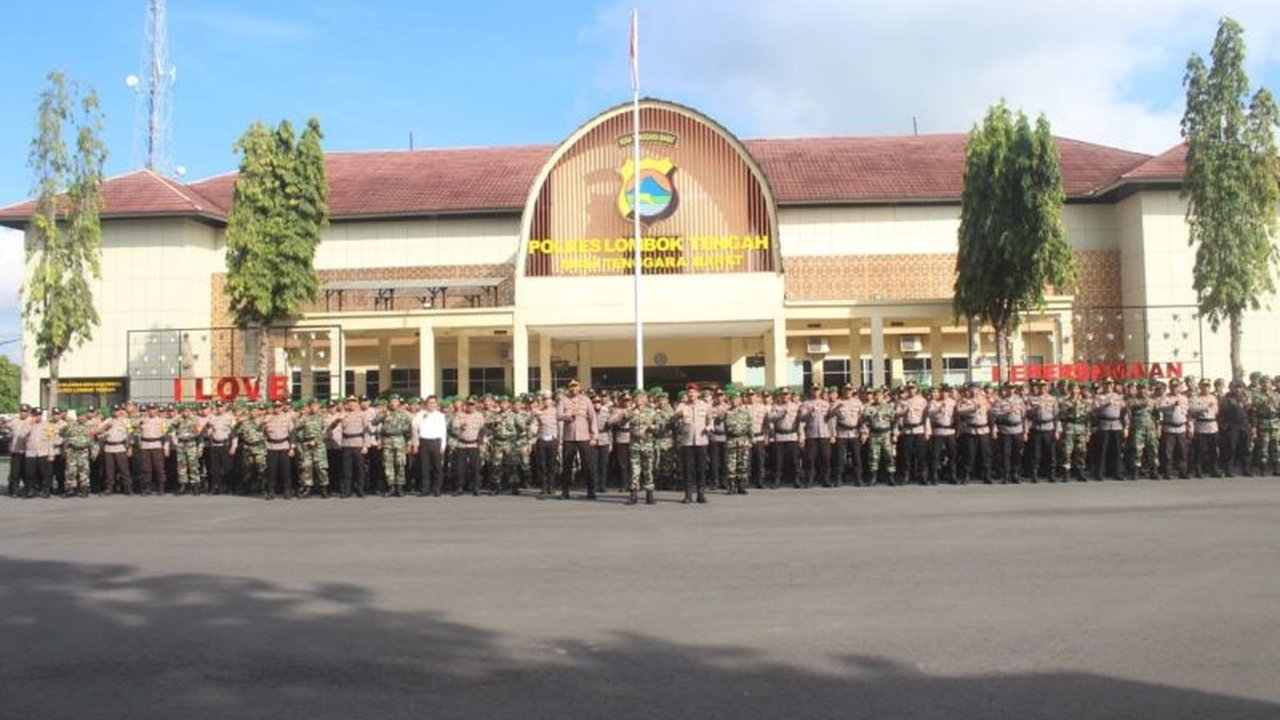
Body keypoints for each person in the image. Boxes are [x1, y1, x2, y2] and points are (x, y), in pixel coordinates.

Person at [556, 379, 598, 499]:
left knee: (588, 465)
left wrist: (594, 436)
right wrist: (568, 415)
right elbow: (558, 416)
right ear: (568, 388)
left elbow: (592, 418)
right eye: (571, 387)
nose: (573, 389)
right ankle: (565, 491)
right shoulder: (563, 400)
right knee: (567, 465)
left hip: (584, 437)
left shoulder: (586, 400)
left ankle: (591, 491)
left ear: (579, 388)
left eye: (576, 387)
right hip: (569, 437)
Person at [673, 383, 712, 504]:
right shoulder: (682, 405)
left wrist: (709, 428)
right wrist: (678, 414)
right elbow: (673, 418)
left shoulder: (704, 405)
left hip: (701, 441)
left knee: (701, 469)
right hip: (687, 442)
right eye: (689, 392)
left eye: (693, 392)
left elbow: (710, 420)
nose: (691, 394)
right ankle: (688, 495)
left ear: (697, 393)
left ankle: (701, 494)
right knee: (688, 469)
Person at [376, 395, 414, 497]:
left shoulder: (404, 414)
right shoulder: (385, 413)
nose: (393, 403)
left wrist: (409, 444)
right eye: (391, 401)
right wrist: (382, 415)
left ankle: (400, 487)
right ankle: (391, 487)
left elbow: (409, 431)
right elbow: (374, 422)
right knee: (388, 465)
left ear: (398, 403)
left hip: (400, 440)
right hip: (387, 441)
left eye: (395, 401)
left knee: (400, 464)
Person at [1023, 379, 1059, 482]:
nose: (1042, 388)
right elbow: (1026, 415)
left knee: (1050, 453)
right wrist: (1035, 410)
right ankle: (1034, 474)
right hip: (1036, 428)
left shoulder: (1052, 399)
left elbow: (1056, 416)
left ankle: (1051, 474)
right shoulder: (1031, 399)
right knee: (1035, 453)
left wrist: (1056, 430)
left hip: (1049, 428)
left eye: (1044, 386)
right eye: (1040, 386)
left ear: (1047, 387)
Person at [449, 396, 487, 496]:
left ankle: (476, 487)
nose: (470, 406)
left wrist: (482, 443)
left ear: (476, 405)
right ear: (465, 405)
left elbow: (483, 430)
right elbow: (453, 429)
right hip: (461, 444)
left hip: (474, 445)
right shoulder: (459, 415)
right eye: (468, 404)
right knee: (460, 468)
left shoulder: (479, 416)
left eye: (472, 404)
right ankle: (460, 488)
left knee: (475, 468)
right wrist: (460, 426)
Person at [412, 395, 448, 496]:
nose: (432, 405)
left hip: (436, 442)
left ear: (436, 404)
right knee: (424, 467)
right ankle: (425, 489)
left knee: (437, 467)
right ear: (426, 404)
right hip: (424, 442)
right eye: (430, 403)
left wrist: (443, 446)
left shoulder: (440, 416)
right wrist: (415, 444)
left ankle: (437, 489)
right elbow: (414, 429)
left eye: (433, 403)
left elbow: (443, 432)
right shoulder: (420, 415)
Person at [294, 399, 331, 498]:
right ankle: (308, 487)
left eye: (316, 405)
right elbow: (295, 428)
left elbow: (326, 431)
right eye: (312, 406)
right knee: (307, 467)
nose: (313, 407)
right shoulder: (305, 418)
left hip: (318, 446)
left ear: (319, 406)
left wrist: (316, 440)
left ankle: (324, 488)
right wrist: (302, 437)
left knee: (321, 467)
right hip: (307, 445)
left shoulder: (323, 417)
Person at [95, 405, 135, 495]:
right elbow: (97, 431)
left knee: (124, 469)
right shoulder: (108, 420)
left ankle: (127, 488)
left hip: (120, 447)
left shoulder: (125, 421)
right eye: (114, 410)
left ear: (120, 411)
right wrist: (105, 427)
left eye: (117, 410)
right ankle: (109, 488)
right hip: (109, 448)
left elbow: (130, 434)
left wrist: (129, 447)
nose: (116, 412)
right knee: (109, 470)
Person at [829, 384, 863, 487]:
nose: (848, 391)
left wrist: (864, 432)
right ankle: (839, 479)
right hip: (841, 434)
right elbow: (831, 419)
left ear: (852, 391)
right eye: (846, 389)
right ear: (842, 390)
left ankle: (858, 478)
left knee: (856, 457)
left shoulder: (858, 403)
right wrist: (832, 435)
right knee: (840, 458)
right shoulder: (837, 402)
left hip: (854, 434)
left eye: (850, 389)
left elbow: (862, 419)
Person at [798, 384, 832, 488]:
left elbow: (830, 420)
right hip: (811, 435)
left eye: (817, 390)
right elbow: (801, 418)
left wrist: (832, 434)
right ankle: (810, 480)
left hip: (824, 434)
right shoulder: (805, 404)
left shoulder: (826, 404)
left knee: (825, 458)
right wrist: (809, 413)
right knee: (810, 459)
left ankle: (825, 479)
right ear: (810, 391)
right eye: (814, 390)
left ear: (820, 391)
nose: (816, 392)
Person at [1157, 378, 1191, 480]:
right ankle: (1167, 472)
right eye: (1172, 386)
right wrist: (1172, 405)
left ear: (1179, 387)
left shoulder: (1184, 398)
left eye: (1176, 387)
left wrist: (1189, 427)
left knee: (1182, 451)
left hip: (1181, 427)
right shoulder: (1165, 397)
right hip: (1169, 427)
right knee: (1168, 452)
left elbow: (1187, 412)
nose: (1174, 389)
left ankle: (1183, 471)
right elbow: (1160, 408)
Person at [527, 391, 560, 496]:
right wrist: (533, 416)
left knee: (552, 465)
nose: (546, 401)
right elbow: (531, 426)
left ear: (551, 401)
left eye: (548, 399)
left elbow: (560, 427)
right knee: (542, 465)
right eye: (544, 399)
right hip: (541, 440)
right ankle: (544, 487)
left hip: (553, 440)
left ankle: (552, 486)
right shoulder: (538, 412)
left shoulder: (556, 412)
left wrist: (560, 441)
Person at [896, 382, 929, 485]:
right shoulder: (902, 401)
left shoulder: (922, 401)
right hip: (907, 431)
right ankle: (906, 476)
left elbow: (926, 417)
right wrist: (904, 412)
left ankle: (922, 476)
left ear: (916, 389)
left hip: (919, 430)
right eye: (909, 388)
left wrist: (927, 431)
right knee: (906, 455)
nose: (911, 390)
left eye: (912, 388)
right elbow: (896, 414)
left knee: (921, 455)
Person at [262, 400, 296, 500]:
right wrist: (264, 423)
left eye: (279, 406)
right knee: (271, 471)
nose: (277, 408)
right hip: (271, 446)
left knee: (286, 471)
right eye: (276, 406)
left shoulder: (287, 418)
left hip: (284, 446)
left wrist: (292, 447)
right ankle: (271, 491)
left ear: (282, 407)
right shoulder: (268, 418)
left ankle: (287, 491)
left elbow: (292, 433)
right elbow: (261, 432)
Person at [722, 389, 753, 495]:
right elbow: (720, 423)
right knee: (731, 465)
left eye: (736, 399)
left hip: (743, 440)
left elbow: (750, 427)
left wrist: (751, 439)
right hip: (731, 440)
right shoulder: (727, 412)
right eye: (732, 399)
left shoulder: (745, 412)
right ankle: (731, 487)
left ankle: (742, 486)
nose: (734, 401)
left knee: (743, 464)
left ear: (740, 400)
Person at [136, 403, 171, 496]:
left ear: (156, 410)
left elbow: (167, 435)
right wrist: (140, 420)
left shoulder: (161, 421)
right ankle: (146, 488)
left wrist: (166, 447)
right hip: (145, 446)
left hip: (157, 445)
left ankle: (161, 488)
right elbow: (134, 429)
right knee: (146, 468)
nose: (151, 411)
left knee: (159, 468)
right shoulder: (142, 420)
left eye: (153, 409)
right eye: (150, 409)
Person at [927, 384, 958, 485]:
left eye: (946, 392)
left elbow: (957, 416)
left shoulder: (953, 402)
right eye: (942, 392)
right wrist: (939, 408)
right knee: (935, 455)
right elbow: (929, 413)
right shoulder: (934, 402)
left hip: (950, 431)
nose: (944, 394)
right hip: (938, 431)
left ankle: (952, 476)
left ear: (949, 393)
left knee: (952, 455)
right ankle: (934, 477)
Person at [1189, 379, 1220, 478]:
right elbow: (1192, 409)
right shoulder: (1195, 398)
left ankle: (1213, 469)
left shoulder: (1213, 397)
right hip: (1201, 425)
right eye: (1203, 386)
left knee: (1213, 450)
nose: (1205, 388)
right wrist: (1205, 407)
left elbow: (1215, 411)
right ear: (1200, 386)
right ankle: (1198, 469)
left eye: (1207, 386)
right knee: (1200, 450)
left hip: (1212, 425)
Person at [61, 408, 95, 498]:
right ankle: (70, 489)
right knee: (71, 471)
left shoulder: (89, 426)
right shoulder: (71, 425)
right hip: (72, 451)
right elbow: (61, 433)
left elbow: (92, 440)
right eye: (81, 416)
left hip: (83, 451)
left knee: (84, 470)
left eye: (84, 416)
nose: (83, 418)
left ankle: (84, 489)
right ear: (77, 416)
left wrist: (93, 452)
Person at [172, 404, 205, 496]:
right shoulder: (178, 419)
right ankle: (183, 485)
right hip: (181, 444)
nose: (185, 412)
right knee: (181, 466)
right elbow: (170, 428)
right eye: (183, 411)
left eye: (187, 410)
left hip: (191, 443)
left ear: (189, 411)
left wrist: (199, 448)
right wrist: (178, 421)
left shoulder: (194, 420)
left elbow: (199, 432)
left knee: (193, 465)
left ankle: (195, 485)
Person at [22, 407, 55, 498]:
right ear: (32, 415)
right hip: (31, 453)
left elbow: (51, 439)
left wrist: (51, 453)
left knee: (46, 473)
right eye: (36, 415)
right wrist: (30, 425)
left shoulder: (47, 424)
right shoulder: (27, 423)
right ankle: (31, 490)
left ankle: (45, 491)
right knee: (30, 473)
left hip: (43, 452)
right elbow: (21, 435)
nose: (38, 417)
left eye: (39, 415)